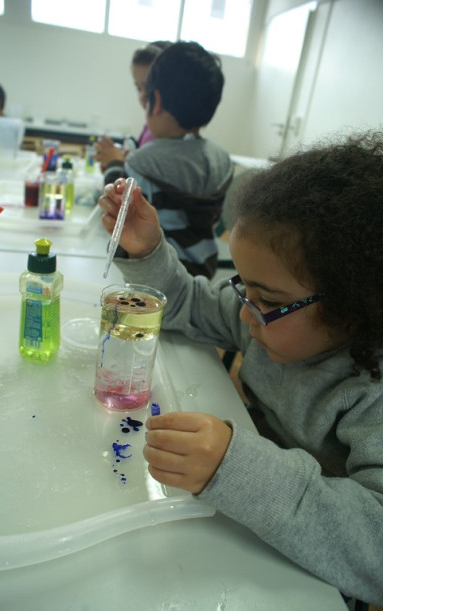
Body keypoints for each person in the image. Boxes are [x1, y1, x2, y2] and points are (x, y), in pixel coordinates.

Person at [98, 131, 383, 607]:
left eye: (267, 300)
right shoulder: (263, 318)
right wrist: (146, 250)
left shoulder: (375, 396)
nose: (246, 314)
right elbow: (188, 304)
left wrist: (238, 468)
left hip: (310, 579)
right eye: (244, 288)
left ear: (353, 308)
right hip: (236, 528)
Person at [100, 41, 233, 279]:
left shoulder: (142, 163)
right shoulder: (222, 158)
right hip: (204, 272)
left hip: (157, 277)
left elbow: (118, 212)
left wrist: (114, 164)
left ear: (156, 100)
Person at [94, 41, 171, 171]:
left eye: (148, 86)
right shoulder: (149, 127)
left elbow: (144, 179)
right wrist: (122, 160)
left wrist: (116, 165)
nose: (143, 95)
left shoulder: (164, 135)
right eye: (138, 88)